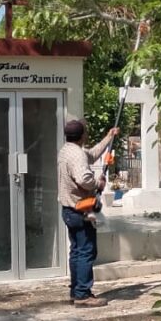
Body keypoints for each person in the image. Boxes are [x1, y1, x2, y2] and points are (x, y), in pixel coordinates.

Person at [58, 119, 119, 307]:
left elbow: (90, 155)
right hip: (80, 209)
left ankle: (75, 291)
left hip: (69, 209)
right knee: (86, 251)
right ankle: (83, 294)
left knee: (76, 251)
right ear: (82, 135)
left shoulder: (67, 150)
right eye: (86, 132)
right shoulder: (76, 156)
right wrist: (97, 183)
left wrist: (109, 138)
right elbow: (84, 178)